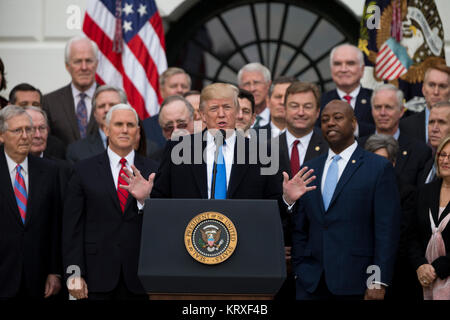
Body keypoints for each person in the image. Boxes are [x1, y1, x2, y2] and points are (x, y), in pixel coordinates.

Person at [292, 99, 401, 300]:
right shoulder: (309, 168)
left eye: (338, 118)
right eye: (325, 120)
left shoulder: (377, 168)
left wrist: (377, 280)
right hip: (311, 282)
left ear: (353, 123)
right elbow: (302, 226)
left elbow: (386, 230)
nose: (330, 123)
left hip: (357, 282)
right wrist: (300, 269)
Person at [62, 104, 159, 300]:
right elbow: (72, 228)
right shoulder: (83, 170)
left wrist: (144, 201)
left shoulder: (154, 170)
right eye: (118, 124)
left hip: (141, 277)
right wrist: (74, 274)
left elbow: (163, 227)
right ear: (106, 129)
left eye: (130, 125)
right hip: (96, 277)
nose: (124, 130)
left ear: (138, 131)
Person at [0, 105, 61, 299]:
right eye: (18, 130)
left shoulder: (49, 171)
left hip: (38, 279)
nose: (26, 136)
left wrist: (54, 271)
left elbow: (55, 224)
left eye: (29, 129)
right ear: (2, 136)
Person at [364, 134, 421, 300]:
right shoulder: (356, 188)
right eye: (371, 160)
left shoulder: (406, 192)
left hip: (392, 275)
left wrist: (376, 280)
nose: (376, 166)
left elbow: (397, 240)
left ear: (393, 163)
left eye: (382, 161)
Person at [359, 84, 431, 186]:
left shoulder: (419, 152)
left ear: (401, 111)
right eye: (378, 107)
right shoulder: (357, 148)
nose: (382, 113)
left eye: (388, 107)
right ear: (372, 110)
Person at [409, 135, 450, 300]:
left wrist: (437, 269)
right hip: (422, 279)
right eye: (442, 155)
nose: (445, 160)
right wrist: (420, 265)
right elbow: (411, 235)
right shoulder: (424, 191)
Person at [42, 36, 99, 145]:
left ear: (96, 64)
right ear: (67, 66)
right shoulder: (49, 102)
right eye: (77, 61)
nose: (84, 67)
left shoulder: (113, 100)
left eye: (89, 61)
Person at [319, 44, 375, 137]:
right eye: (337, 64)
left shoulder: (375, 99)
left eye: (350, 63)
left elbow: (385, 131)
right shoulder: (320, 102)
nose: (343, 69)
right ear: (331, 69)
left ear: (362, 69)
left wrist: (353, 127)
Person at [66, 85, 127, 163]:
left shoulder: (144, 148)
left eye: (112, 105)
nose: (107, 110)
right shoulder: (76, 151)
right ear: (94, 113)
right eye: (101, 106)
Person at [8, 84, 66, 159]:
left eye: (35, 105)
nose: (30, 109)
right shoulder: (4, 143)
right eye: (24, 105)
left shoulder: (56, 147)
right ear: (10, 107)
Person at [143, 67, 192, 148]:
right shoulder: (147, 127)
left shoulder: (200, 123)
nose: (180, 90)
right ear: (162, 91)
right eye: (174, 86)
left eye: (184, 86)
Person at [400, 64, 450, 143]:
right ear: (423, 89)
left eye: (442, 86)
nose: (436, 92)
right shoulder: (406, 126)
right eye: (431, 85)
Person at [237, 63, 271, 128]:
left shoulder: (280, 119)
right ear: (240, 88)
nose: (252, 89)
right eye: (247, 84)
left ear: (268, 85)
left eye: (256, 83)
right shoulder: (233, 121)